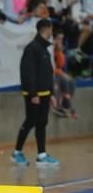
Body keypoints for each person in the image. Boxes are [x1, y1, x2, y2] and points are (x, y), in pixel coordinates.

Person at [11, 19, 60, 167]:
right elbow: (28, 72)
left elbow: (47, 73)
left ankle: (42, 155)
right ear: (46, 29)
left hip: (45, 94)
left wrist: (51, 94)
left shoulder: (44, 49)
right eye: (51, 29)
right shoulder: (32, 48)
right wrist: (33, 94)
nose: (52, 32)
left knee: (42, 123)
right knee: (30, 121)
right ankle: (17, 152)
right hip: (35, 95)